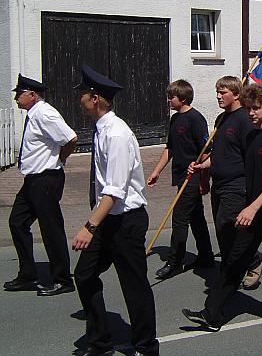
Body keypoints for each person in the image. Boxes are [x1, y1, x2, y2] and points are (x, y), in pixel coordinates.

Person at [182, 84, 262, 331]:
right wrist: (204, 166)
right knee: (235, 260)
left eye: (256, 108)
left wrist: (254, 207)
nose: (251, 113)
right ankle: (212, 315)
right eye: (248, 108)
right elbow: (231, 159)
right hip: (252, 209)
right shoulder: (251, 135)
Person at [72, 65, 159, 356]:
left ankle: (147, 346)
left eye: (83, 94)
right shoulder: (101, 130)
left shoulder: (117, 134)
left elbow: (115, 190)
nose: (79, 99)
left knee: (134, 285)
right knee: (84, 275)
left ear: (95, 98)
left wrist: (89, 226)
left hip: (126, 221)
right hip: (107, 217)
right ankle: (100, 343)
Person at [189, 76, 262, 289]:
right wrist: (202, 167)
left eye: (223, 92)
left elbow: (250, 155)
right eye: (217, 92)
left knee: (227, 226)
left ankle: (251, 260)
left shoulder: (244, 120)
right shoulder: (221, 120)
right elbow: (219, 154)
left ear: (236, 94)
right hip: (219, 183)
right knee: (222, 231)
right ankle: (231, 269)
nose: (218, 96)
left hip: (237, 184)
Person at [4, 74, 77, 296]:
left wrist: (60, 159)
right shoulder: (34, 114)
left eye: (20, 94)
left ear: (32, 95)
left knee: (51, 229)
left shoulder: (45, 113)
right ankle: (28, 273)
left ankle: (62, 279)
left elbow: (70, 138)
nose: (16, 98)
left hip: (46, 178)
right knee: (17, 222)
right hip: (32, 180)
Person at [147, 80, 215, 279]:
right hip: (179, 175)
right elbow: (169, 148)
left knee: (179, 219)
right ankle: (206, 256)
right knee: (196, 217)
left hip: (191, 176)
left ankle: (174, 261)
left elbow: (205, 153)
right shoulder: (175, 119)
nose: (168, 100)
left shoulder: (196, 119)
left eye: (172, 97)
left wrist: (204, 180)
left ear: (183, 98)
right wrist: (157, 171)